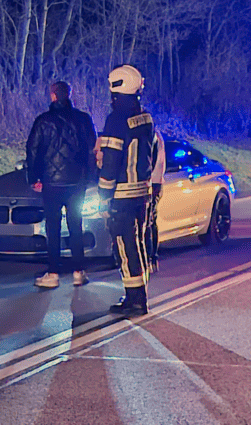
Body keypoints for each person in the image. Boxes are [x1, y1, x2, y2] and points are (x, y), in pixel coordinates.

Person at [27, 81, 98, 289]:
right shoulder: (83, 119)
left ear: (52, 96)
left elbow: (33, 150)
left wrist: (34, 178)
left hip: (52, 183)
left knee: (53, 228)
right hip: (77, 182)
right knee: (75, 225)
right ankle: (78, 271)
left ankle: (53, 272)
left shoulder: (43, 121)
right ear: (69, 94)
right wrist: (90, 177)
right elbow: (91, 149)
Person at [98, 64, 155, 316]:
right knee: (138, 244)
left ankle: (135, 300)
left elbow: (110, 163)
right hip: (142, 193)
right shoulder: (145, 117)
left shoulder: (116, 120)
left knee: (124, 245)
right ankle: (139, 294)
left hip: (121, 195)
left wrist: (103, 196)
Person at [144, 130, 166, 273]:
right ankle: (152, 258)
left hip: (151, 183)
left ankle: (150, 258)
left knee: (148, 222)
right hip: (155, 181)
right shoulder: (155, 134)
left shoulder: (151, 135)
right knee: (150, 221)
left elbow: (150, 160)